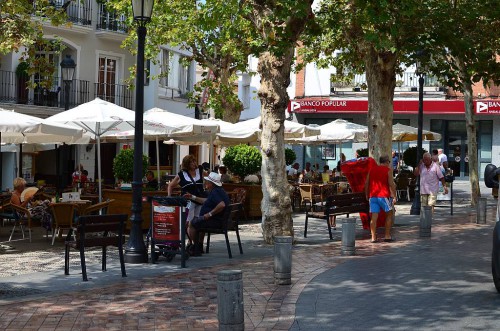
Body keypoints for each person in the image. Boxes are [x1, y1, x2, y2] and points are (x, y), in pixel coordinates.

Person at [183, 172, 230, 256]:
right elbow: (207, 201)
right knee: (198, 220)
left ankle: (195, 247)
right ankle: (199, 246)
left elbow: (222, 204)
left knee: (192, 223)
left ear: (211, 184)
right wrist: (193, 197)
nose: (205, 183)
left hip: (216, 221)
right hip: (220, 220)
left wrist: (209, 214)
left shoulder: (215, 192)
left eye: (207, 181)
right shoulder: (218, 191)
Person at [168, 155, 206, 230]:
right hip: (188, 201)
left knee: (197, 220)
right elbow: (170, 185)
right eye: (191, 162)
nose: (193, 163)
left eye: (194, 161)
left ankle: (194, 239)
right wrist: (169, 197)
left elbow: (209, 179)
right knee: (189, 221)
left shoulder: (200, 170)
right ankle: (189, 240)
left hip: (199, 200)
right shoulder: (181, 174)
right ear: (186, 164)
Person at [364, 155, 397, 243]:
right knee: (389, 214)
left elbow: (366, 183)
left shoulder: (372, 170)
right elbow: (391, 184)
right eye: (389, 162)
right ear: (387, 162)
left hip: (373, 196)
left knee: (374, 217)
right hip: (383, 196)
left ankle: (373, 237)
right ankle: (387, 236)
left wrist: (367, 194)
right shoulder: (388, 170)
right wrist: (394, 195)